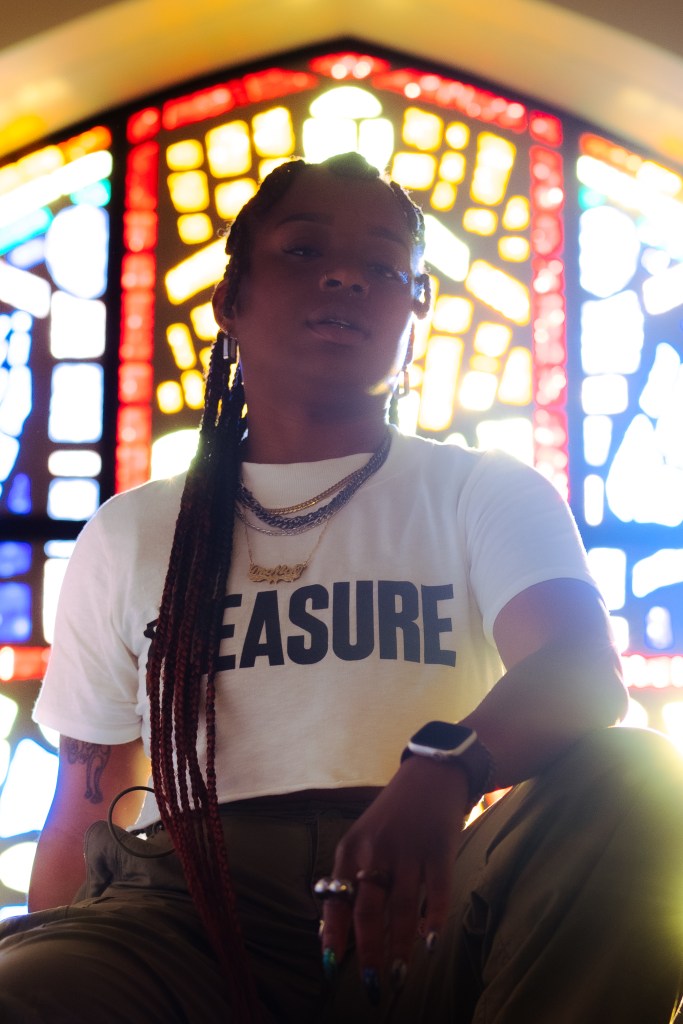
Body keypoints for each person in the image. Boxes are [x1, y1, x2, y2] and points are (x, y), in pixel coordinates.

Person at [0, 151, 681, 1024]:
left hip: (423, 903)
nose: (343, 277)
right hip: (185, 919)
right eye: (301, 249)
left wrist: (445, 770)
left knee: (635, 775)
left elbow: (580, 673)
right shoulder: (133, 531)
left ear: (416, 308)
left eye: (384, 266)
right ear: (229, 299)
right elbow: (79, 812)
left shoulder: (483, 491)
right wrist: (57, 954)